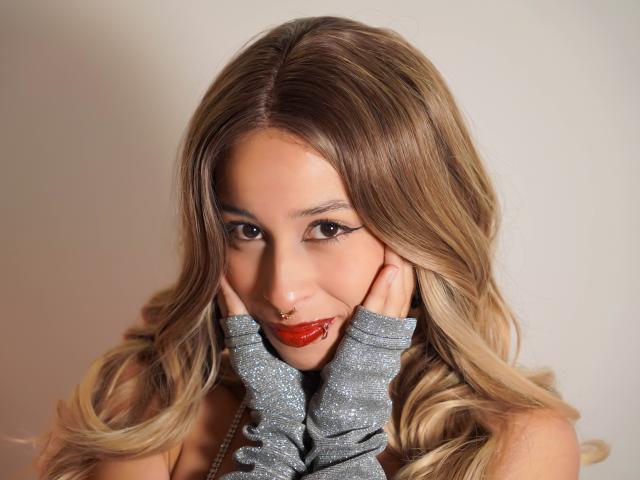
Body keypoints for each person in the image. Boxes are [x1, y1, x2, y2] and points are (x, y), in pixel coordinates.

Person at [34, 15, 609, 479]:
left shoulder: (513, 445)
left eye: (328, 229)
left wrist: (345, 428)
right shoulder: (152, 402)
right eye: (247, 231)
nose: (282, 292)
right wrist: (277, 430)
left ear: (418, 226)